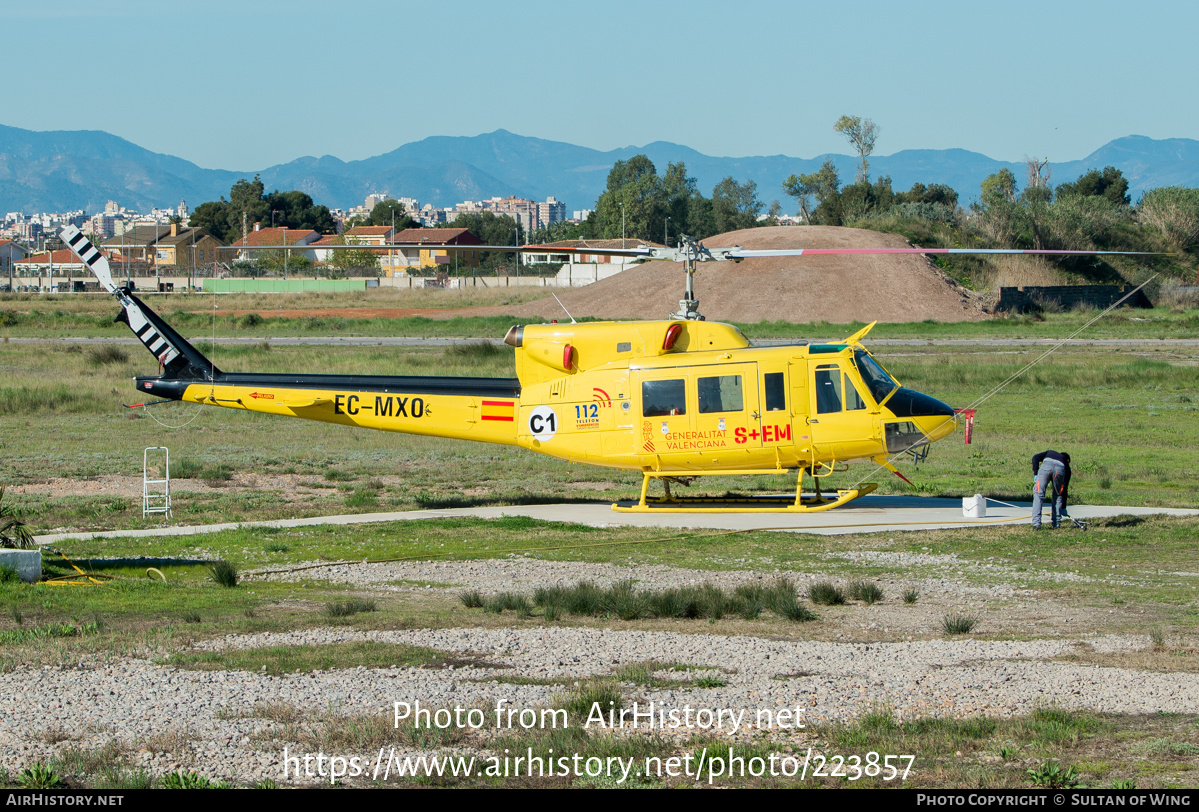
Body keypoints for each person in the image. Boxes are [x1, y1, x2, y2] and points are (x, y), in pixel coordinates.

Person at [1031, 450, 1071, 529]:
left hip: (1046, 466)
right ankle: (1056, 524)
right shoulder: (1066, 465)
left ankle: (1036, 524)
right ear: (1068, 460)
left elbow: (1035, 457)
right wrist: (1063, 507)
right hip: (1060, 469)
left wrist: (1036, 473)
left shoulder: (1049, 452)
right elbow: (1064, 490)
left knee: (1039, 495)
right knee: (1057, 495)